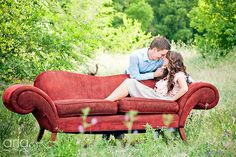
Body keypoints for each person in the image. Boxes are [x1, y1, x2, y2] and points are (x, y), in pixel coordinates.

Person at [105, 51, 189, 101]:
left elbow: (185, 88)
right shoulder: (167, 73)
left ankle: (107, 101)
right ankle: (108, 101)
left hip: (161, 98)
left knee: (129, 82)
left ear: (171, 61)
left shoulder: (179, 75)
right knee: (130, 82)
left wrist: (171, 100)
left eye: (165, 58)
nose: (163, 58)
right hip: (156, 95)